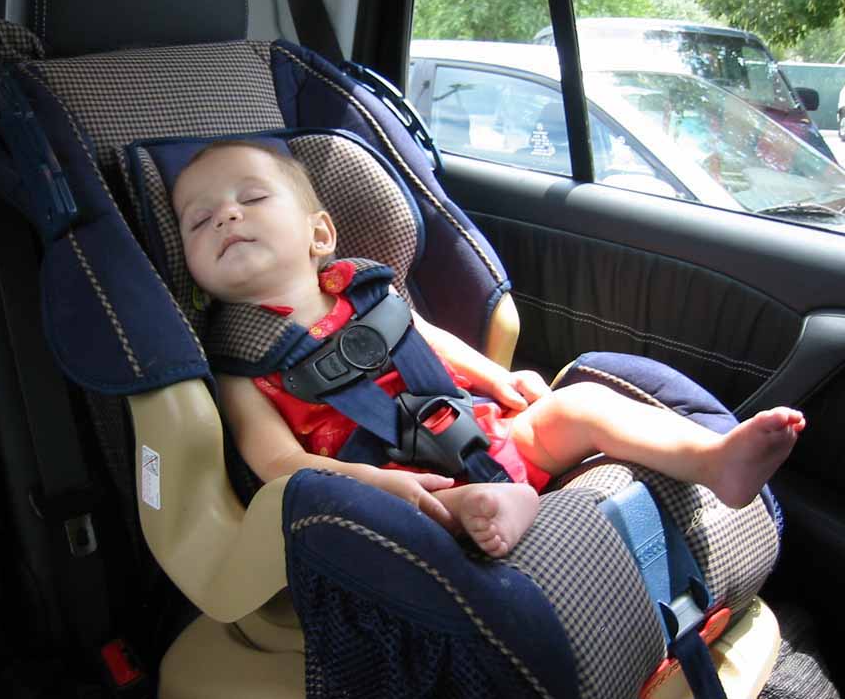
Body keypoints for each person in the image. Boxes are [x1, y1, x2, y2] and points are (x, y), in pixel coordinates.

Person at [171, 140, 805, 558]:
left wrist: (497, 380)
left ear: (319, 235)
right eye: (199, 220)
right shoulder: (240, 363)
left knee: (581, 404)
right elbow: (278, 462)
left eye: (252, 198)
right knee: (417, 513)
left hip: (478, 428)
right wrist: (368, 483)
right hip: (394, 484)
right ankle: (498, 505)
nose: (226, 217)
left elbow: (426, 338)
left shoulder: (363, 288)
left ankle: (713, 458)